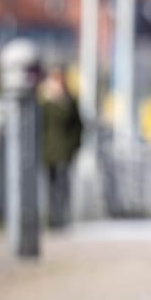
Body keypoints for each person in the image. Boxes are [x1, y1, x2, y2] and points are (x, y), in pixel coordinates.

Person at [38, 65, 84, 229]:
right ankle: (52, 218)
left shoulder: (69, 102)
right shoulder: (44, 103)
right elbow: (37, 125)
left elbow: (78, 126)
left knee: (63, 185)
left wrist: (74, 147)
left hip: (64, 152)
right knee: (50, 186)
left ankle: (62, 216)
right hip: (48, 152)